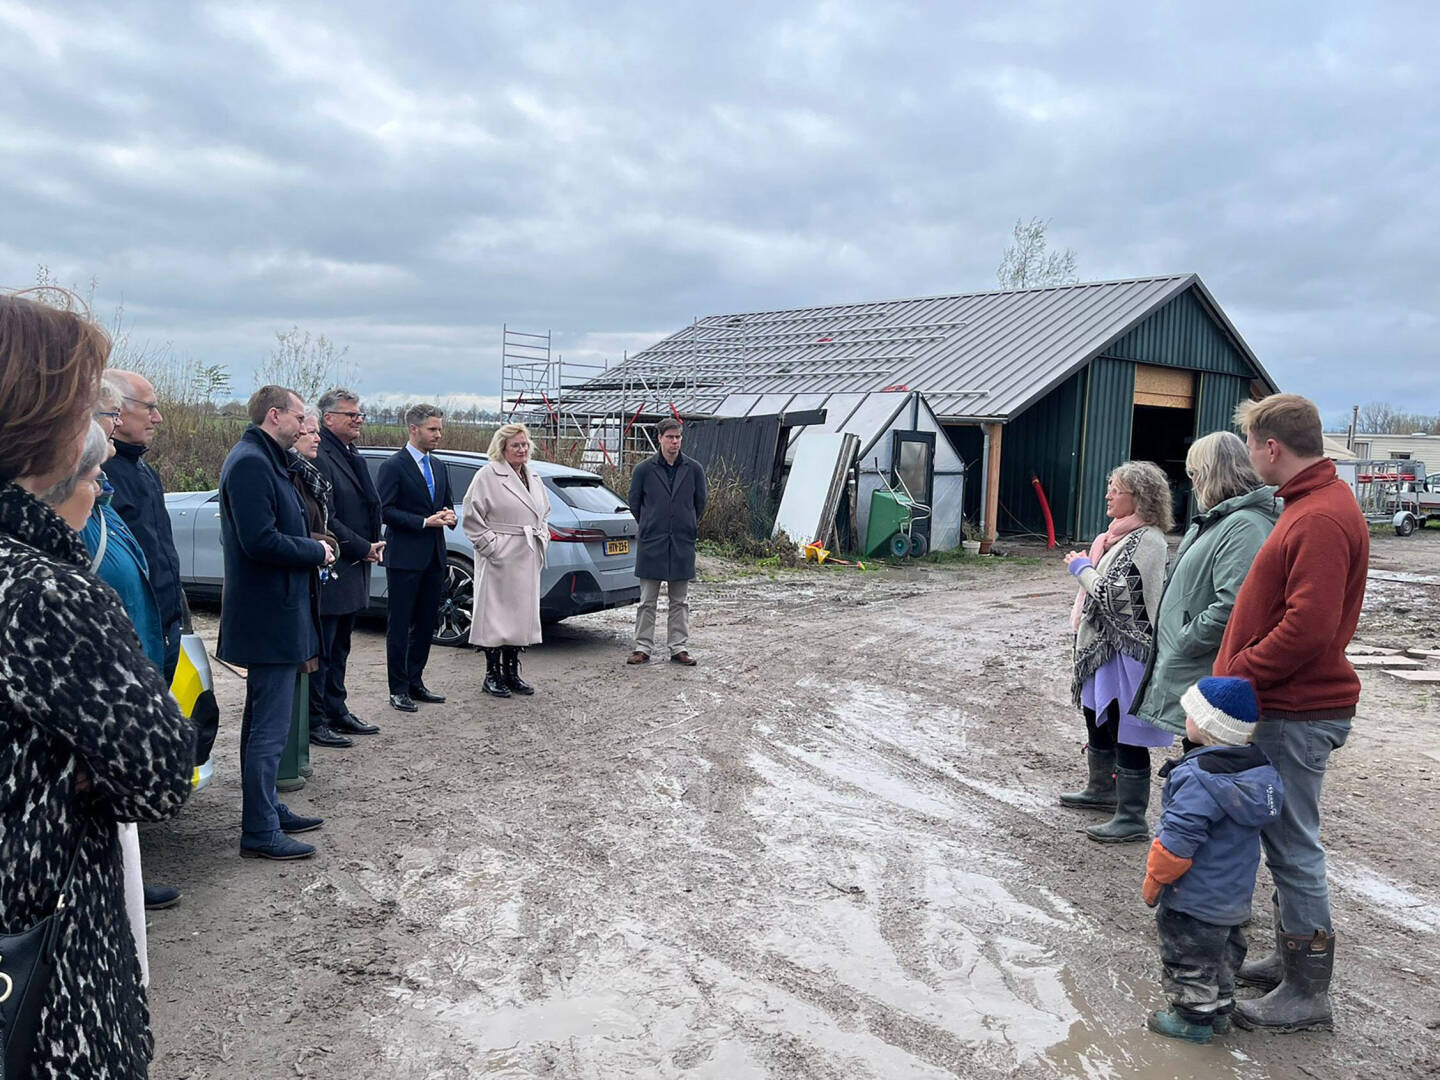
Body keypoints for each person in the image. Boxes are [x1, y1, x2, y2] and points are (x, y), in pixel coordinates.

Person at [1, 293, 193, 1078]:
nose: (103, 433)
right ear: (38, 426)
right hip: (48, 980)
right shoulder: (44, 592)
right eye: (87, 406)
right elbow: (158, 777)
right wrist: (79, 769)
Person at [1216, 393, 1369, 1033]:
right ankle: (1290, 963)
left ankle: (1308, 992)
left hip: (1296, 710)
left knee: (1293, 848)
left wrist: (1240, 672)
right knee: (1284, 842)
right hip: (1289, 705)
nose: (1251, 456)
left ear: (1270, 447)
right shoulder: (1309, 505)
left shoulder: (1319, 519)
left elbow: (1308, 628)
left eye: (1251, 444)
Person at [218, 386, 333, 861]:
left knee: (268, 724)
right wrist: (316, 549)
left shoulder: (269, 459)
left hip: (281, 610)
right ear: (274, 416)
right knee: (268, 728)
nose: (306, 425)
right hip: (269, 616)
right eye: (300, 416)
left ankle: (266, 808)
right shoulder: (250, 462)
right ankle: (260, 831)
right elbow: (259, 540)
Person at [1141, 677, 1283, 1044]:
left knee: (1188, 960)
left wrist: (1156, 880)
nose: (1185, 718)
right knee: (1223, 956)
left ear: (1203, 726)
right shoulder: (1259, 772)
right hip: (1234, 897)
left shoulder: (1197, 777)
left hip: (1193, 897)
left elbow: (1177, 838)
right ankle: (1220, 1012)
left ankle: (1192, 1021)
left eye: (1189, 713)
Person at [1132, 432, 1278, 744]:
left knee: (1202, 767)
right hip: (1197, 671)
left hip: (1205, 672)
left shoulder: (1244, 526)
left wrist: (1186, 637)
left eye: (1194, 474)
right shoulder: (1219, 521)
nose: (1193, 483)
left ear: (1212, 474)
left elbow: (1234, 605)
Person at [1061, 461, 1173, 842]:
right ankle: (1102, 790)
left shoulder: (1148, 542)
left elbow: (1115, 596)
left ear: (1139, 498)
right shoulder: (1118, 536)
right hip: (1106, 650)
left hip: (1127, 653)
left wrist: (1082, 568)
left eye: (1116, 488)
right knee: (1100, 718)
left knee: (1128, 730)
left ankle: (1131, 817)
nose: (1108, 494)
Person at [102, 368, 184, 679]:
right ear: (118, 410)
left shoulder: (146, 472)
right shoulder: (97, 475)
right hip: (129, 627)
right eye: (149, 407)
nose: (158, 417)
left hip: (165, 623)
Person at [311, 387, 384, 739]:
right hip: (336, 564)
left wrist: (371, 544)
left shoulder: (350, 451)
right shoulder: (320, 453)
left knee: (341, 645)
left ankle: (336, 709)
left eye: (360, 415)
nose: (358, 420)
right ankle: (316, 720)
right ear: (329, 419)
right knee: (324, 647)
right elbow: (327, 516)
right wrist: (360, 546)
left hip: (355, 564)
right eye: (351, 415)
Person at [462, 423, 551, 697]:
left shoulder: (533, 476)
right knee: (495, 616)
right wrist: (492, 547)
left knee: (518, 616)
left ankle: (512, 672)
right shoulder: (487, 475)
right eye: (516, 445)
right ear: (502, 448)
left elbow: (544, 511)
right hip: (501, 556)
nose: (522, 450)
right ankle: (492, 674)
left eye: (525, 444)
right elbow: (471, 516)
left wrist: (543, 536)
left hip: (526, 554)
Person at [378, 403, 454, 712]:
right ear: (413, 429)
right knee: (400, 626)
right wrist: (422, 522)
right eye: (432, 429)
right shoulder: (393, 466)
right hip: (405, 557)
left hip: (434, 557)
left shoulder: (438, 465)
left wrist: (450, 516)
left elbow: (446, 504)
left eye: (439, 428)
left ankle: (415, 681)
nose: (439, 434)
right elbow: (385, 510)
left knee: (425, 624)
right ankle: (397, 688)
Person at [288, 405, 351, 751]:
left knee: (331, 648)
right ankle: (312, 723)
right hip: (305, 576)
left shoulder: (308, 474)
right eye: (309, 431)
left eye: (314, 432)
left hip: (322, 572)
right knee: (315, 655)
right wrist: (325, 544)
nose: (316, 438)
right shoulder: (290, 476)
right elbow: (291, 530)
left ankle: (323, 716)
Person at [627, 418, 707, 667]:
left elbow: (700, 503)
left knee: (679, 600)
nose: (675, 442)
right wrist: (652, 524)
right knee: (647, 600)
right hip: (653, 542)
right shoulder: (644, 469)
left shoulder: (693, 469)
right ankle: (642, 647)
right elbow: (635, 502)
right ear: (660, 438)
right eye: (670, 437)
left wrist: (686, 523)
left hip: (681, 542)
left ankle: (679, 648)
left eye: (678, 437)